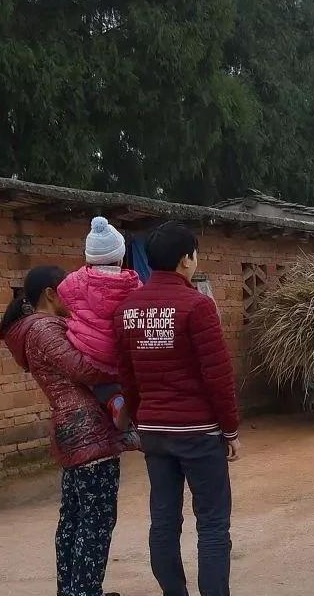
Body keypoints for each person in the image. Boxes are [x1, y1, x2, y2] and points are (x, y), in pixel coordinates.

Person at [115, 221, 240, 596]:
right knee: (213, 524)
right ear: (187, 259)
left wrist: (135, 418)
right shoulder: (197, 306)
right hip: (198, 433)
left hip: (154, 433)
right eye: (194, 253)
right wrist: (231, 430)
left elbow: (127, 375)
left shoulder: (128, 308)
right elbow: (218, 375)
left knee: (164, 522)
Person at [0, 265, 135, 596]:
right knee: (95, 523)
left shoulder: (36, 329)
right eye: (68, 292)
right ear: (50, 294)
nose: (74, 299)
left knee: (75, 518)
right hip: (88, 431)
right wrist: (123, 360)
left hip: (73, 431)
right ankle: (85, 592)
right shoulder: (45, 329)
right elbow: (85, 368)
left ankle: (73, 590)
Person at [58, 216, 142, 430]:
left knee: (99, 382)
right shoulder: (133, 283)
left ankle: (114, 402)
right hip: (123, 357)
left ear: (88, 259)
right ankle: (128, 407)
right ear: (120, 259)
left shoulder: (73, 282)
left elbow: (62, 294)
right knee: (128, 378)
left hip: (91, 356)